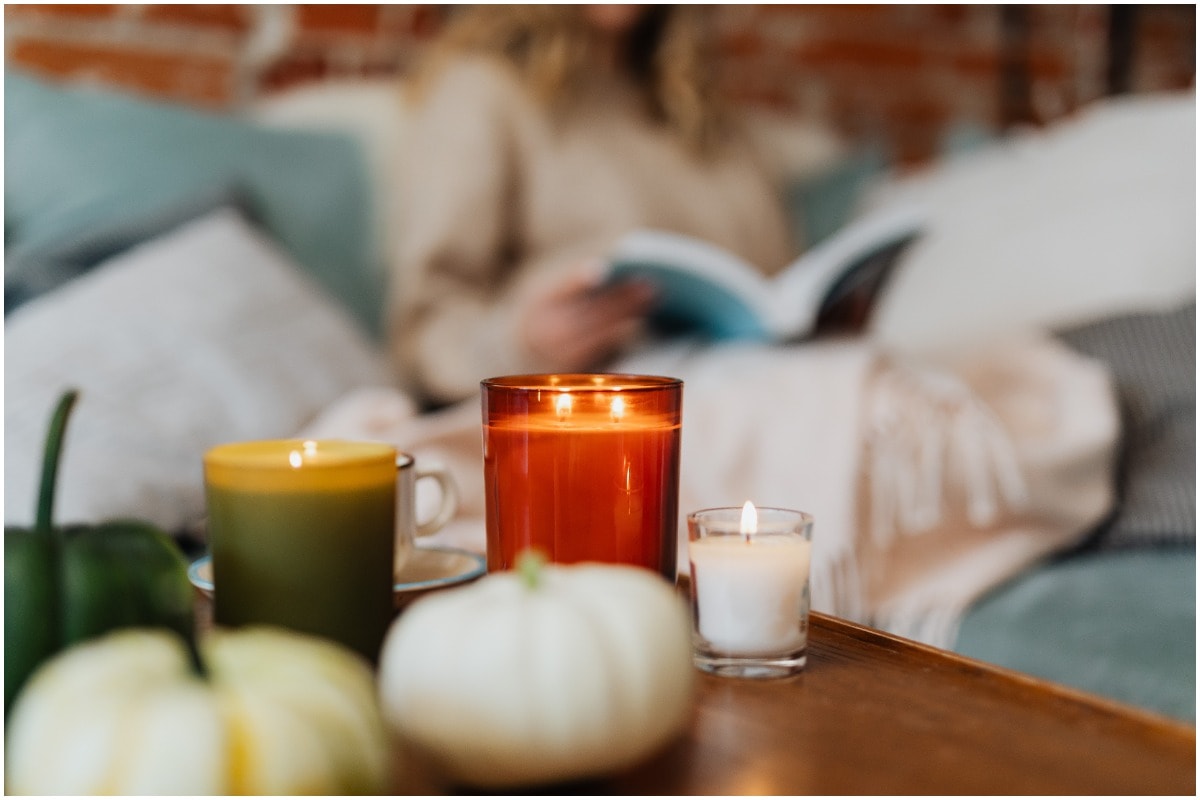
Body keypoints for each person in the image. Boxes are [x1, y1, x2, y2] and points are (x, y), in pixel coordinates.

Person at [387, 5, 795, 406]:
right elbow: (424, 332)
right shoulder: (482, 90)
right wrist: (522, 344)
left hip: (748, 373)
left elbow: (778, 273)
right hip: (590, 399)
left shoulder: (703, 110)